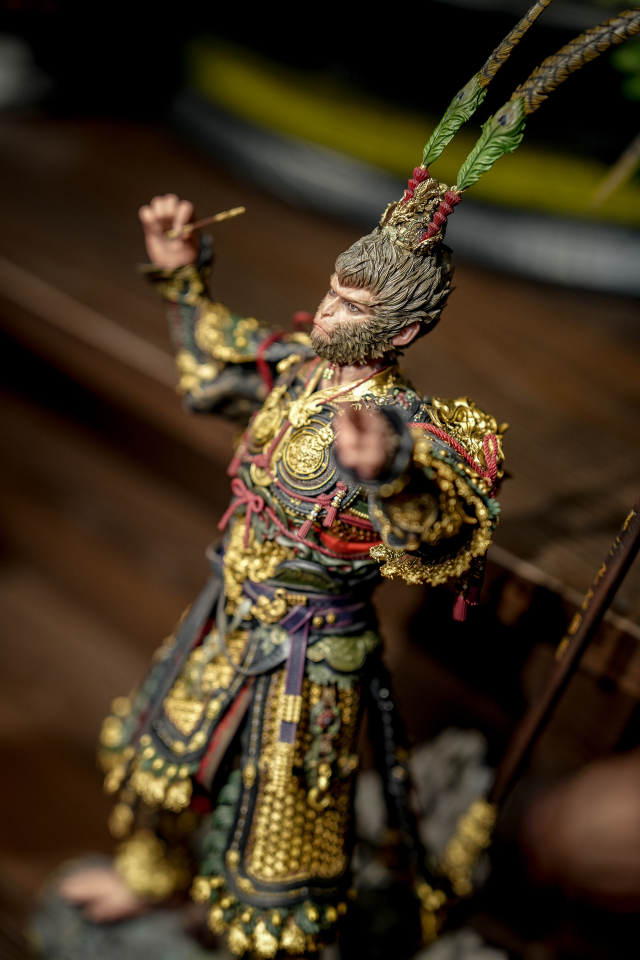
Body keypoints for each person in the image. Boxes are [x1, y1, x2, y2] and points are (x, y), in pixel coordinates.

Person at [57, 6, 640, 956]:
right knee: (160, 753)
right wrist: (182, 278)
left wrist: (392, 473)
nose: (328, 311)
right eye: (332, 290)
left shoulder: (415, 431)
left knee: (282, 839)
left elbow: (446, 537)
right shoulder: (299, 367)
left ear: (401, 329)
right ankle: (150, 877)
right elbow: (220, 369)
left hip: (310, 658)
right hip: (227, 609)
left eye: (352, 303)